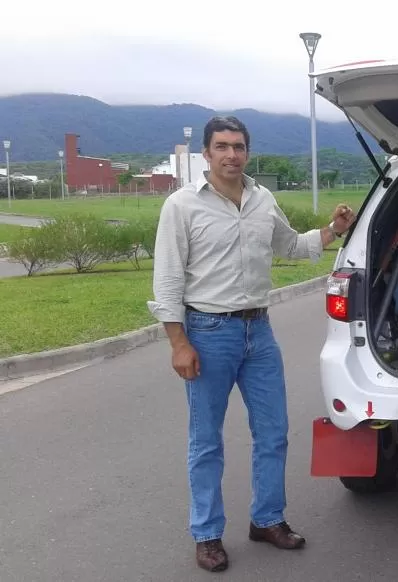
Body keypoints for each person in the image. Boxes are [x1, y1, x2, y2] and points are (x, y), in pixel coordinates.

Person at [147, 115, 356, 572]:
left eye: (238, 146)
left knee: (274, 432)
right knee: (206, 441)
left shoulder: (263, 200)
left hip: (258, 333)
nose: (231, 155)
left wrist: (334, 229)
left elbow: (292, 246)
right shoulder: (181, 206)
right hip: (207, 331)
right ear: (206, 153)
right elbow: (167, 280)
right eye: (221, 146)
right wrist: (178, 343)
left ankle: (267, 519)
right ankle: (207, 534)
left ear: (247, 151)